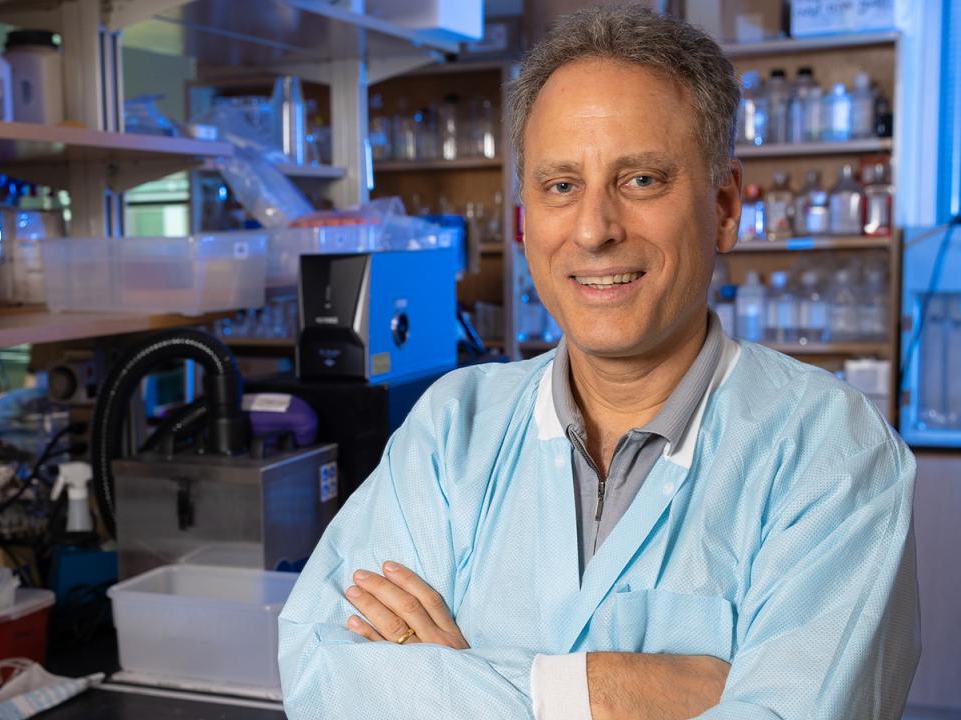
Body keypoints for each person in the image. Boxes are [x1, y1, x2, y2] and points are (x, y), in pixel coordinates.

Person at [277, 6, 919, 719]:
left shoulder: (832, 456)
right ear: (525, 220)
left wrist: (451, 677)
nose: (593, 230)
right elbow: (321, 673)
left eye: (641, 179)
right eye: (560, 186)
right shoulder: (451, 430)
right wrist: (610, 690)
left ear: (728, 206)